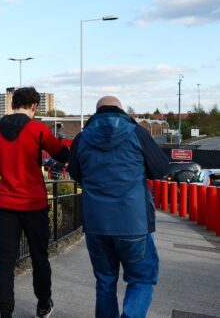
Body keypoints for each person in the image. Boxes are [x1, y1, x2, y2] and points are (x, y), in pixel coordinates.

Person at [68, 96, 168, 318]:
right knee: (141, 279)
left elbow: (75, 173)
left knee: (105, 282)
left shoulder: (82, 138)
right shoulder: (137, 133)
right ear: (121, 111)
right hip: (134, 223)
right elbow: (160, 168)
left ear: (97, 112)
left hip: (96, 224)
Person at [0, 87, 69, 318]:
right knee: (39, 257)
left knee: (5, 264)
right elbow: (61, 155)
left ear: (12, 104)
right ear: (34, 106)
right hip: (34, 205)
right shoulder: (38, 130)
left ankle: (6, 314)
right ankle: (43, 304)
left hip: (6, 206)